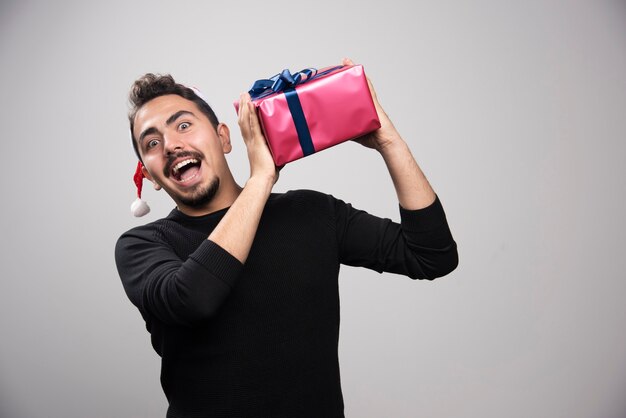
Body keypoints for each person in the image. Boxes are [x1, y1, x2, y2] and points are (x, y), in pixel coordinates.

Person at [115, 58, 458, 418]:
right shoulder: (142, 246)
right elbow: (193, 299)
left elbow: (432, 255)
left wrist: (389, 141)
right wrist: (262, 178)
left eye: (183, 125)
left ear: (224, 137)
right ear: (149, 176)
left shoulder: (311, 213)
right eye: (152, 143)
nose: (170, 145)